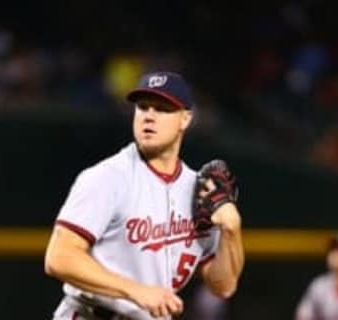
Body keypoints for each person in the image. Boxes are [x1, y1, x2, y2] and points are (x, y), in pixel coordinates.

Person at [44, 71, 244, 319]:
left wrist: (232, 230)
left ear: (185, 119)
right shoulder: (107, 178)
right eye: (142, 107)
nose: (149, 116)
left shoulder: (199, 189)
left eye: (161, 109)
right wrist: (135, 291)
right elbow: (59, 257)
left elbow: (223, 286)